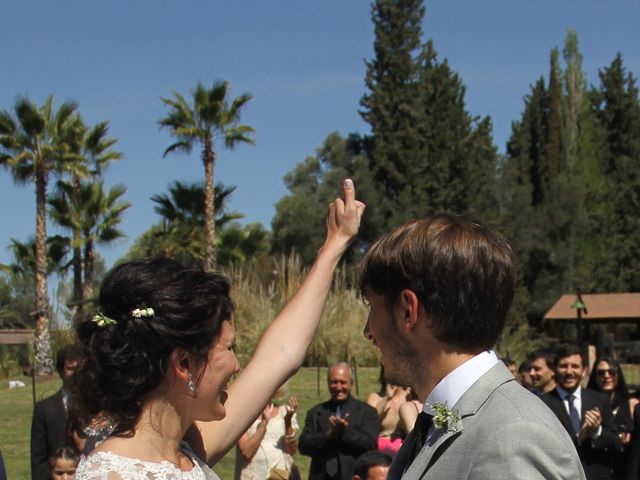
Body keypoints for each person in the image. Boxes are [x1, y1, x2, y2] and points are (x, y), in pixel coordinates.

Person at [72, 179, 364, 479]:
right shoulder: (111, 474)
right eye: (228, 348)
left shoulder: (182, 446)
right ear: (184, 363)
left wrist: (335, 244)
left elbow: (280, 354)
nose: (238, 364)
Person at [360, 214, 585, 479]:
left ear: (409, 310)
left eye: (372, 308)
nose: (367, 332)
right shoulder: (442, 418)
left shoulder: (513, 437)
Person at [541, 344, 621, 480]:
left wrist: (597, 431)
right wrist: (579, 437)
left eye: (575, 366)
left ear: (584, 371)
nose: (569, 371)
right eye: (563, 366)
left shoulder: (600, 400)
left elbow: (616, 443)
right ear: (554, 370)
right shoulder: (543, 403)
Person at [299, 362, 378, 480]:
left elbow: (370, 444)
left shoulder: (366, 412)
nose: (338, 387)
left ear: (351, 384)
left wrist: (344, 432)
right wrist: (328, 435)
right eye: (334, 382)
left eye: (342, 382)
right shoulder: (316, 413)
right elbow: (304, 446)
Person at [31, 345, 83, 480]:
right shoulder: (44, 409)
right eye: (70, 369)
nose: (75, 374)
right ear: (60, 371)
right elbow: (38, 461)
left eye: (79, 369)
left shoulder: (95, 408)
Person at [235, 384, 299, 480]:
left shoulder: (283, 412)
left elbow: (291, 450)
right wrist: (264, 423)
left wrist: (288, 423)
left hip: (279, 476)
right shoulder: (243, 416)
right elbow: (247, 452)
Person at [366, 367, 409, 457]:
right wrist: (387, 398)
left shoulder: (408, 399)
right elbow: (370, 421)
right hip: (380, 449)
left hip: (402, 449)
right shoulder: (376, 397)